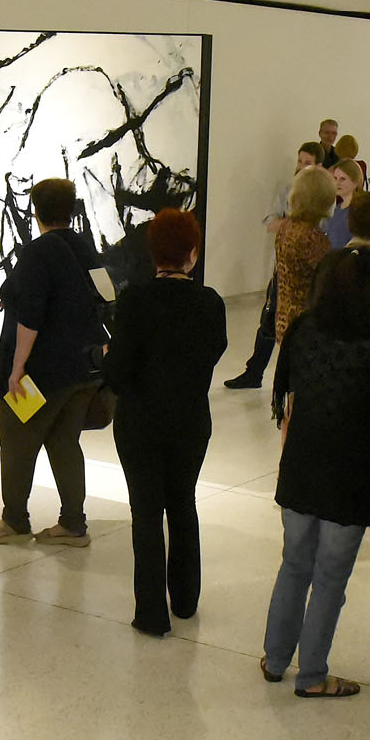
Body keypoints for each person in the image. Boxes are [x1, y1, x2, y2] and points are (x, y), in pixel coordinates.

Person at [261, 251, 370, 699]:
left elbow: (288, 393)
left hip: (301, 466)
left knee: (293, 565)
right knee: (329, 579)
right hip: (350, 477)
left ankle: (276, 658)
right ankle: (313, 673)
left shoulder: (303, 331)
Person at [105, 209, 228, 636]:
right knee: (182, 504)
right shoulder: (210, 303)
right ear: (193, 253)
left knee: (145, 513)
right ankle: (186, 599)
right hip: (191, 420)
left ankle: (152, 613)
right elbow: (212, 353)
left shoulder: (135, 301)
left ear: (154, 253)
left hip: (140, 422)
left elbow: (117, 376)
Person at [0, 177, 108, 548]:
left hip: (45, 372)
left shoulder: (39, 252)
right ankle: (73, 523)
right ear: (71, 210)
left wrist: (17, 369)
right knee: (65, 442)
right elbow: (105, 295)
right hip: (84, 368)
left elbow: (31, 317)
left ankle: (14, 520)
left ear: (34, 211)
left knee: (16, 438)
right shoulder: (83, 247)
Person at [225, 144, 324, 390]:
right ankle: (255, 372)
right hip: (285, 270)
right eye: (300, 161)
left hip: (308, 276)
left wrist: (291, 227)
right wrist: (291, 226)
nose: (302, 167)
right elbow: (271, 220)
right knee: (270, 319)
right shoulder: (288, 191)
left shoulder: (325, 196)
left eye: (308, 162)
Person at [272, 165, 337, 350]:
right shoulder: (313, 237)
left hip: (285, 318)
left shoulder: (286, 228)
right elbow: (329, 282)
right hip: (308, 325)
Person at [325, 159, 365, 250]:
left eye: (342, 179)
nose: (337, 183)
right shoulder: (338, 208)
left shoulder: (358, 210)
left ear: (355, 182)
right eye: (335, 178)